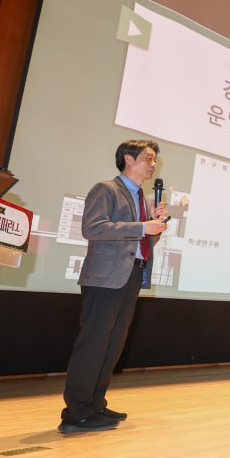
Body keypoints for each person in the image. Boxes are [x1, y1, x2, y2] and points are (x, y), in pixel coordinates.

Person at [60, 140, 168, 434]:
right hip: (105, 278)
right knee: (94, 343)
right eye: (148, 158)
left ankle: (95, 404)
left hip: (131, 275)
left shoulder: (142, 200)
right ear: (129, 159)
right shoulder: (106, 189)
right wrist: (141, 227)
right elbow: (92, 228)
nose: (153, 164)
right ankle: (76, 412)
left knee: (113, 343)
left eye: (154, 160)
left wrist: (154, 226)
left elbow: (142, 241)